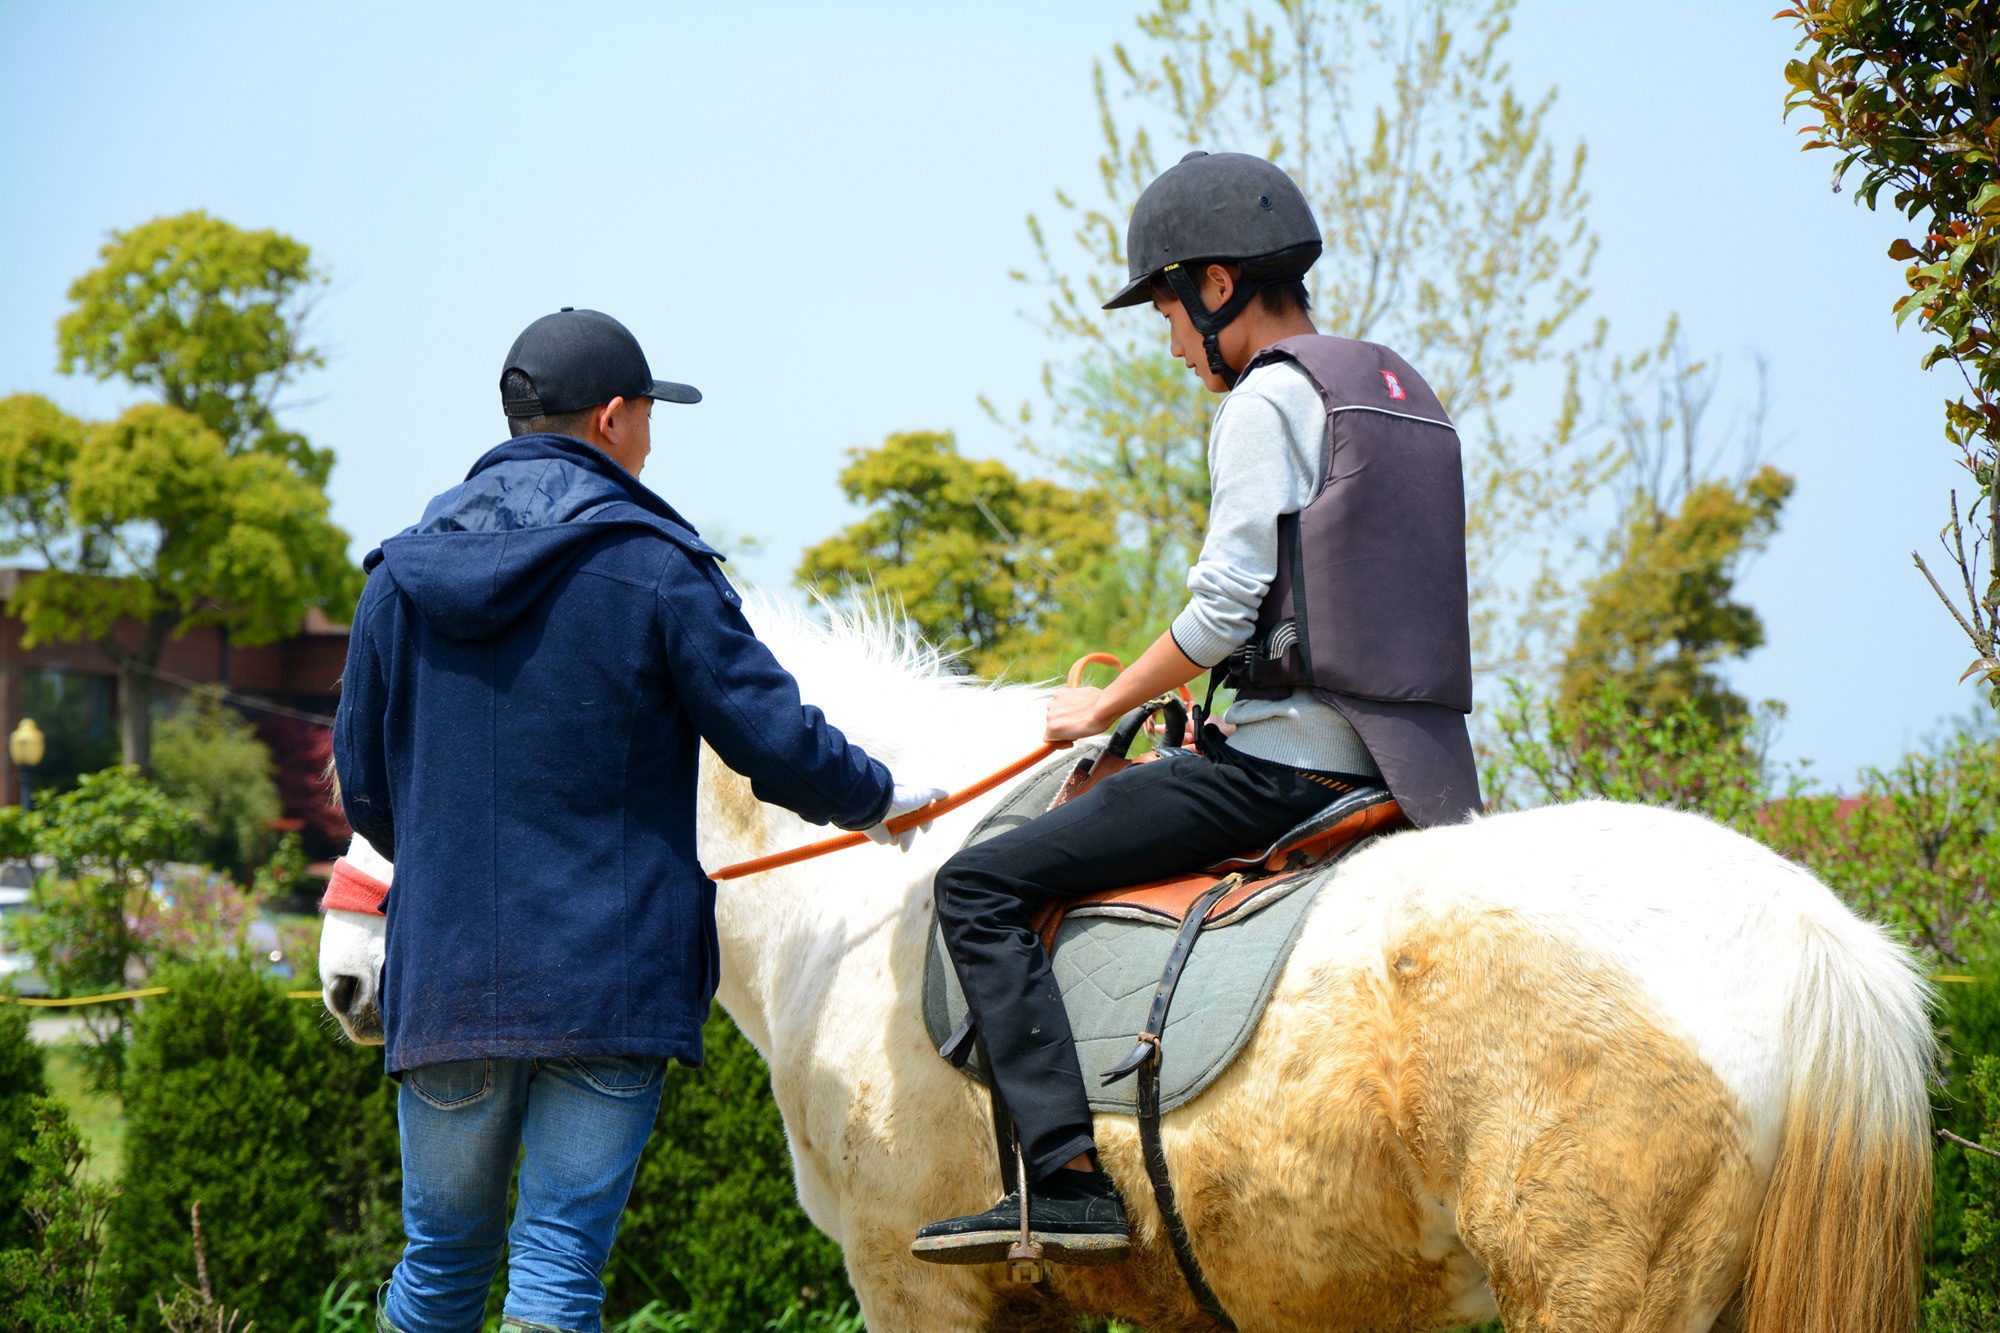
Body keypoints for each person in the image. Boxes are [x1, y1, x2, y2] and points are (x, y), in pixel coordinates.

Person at [911, 153, 1482, 1265]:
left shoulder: (1267, 398)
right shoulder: (1396, 392)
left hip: (1283, 771)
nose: (1172, 345)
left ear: (1216, 286)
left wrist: (1101, 707)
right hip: (1416, 771)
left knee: (975, 884)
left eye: (1168, 313)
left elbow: (1223, 608)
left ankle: (1064, 1181)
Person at [333, 308, 944, 1333]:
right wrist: (876, 796)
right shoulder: (656, 564)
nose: (651, 442)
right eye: (650, 416)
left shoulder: (397, 577)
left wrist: (453, 871)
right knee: (556, 1267)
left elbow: (363, 785)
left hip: (447, 978)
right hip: (607, 982)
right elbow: (770, 736)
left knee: (437, 1264)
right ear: (611, 416)